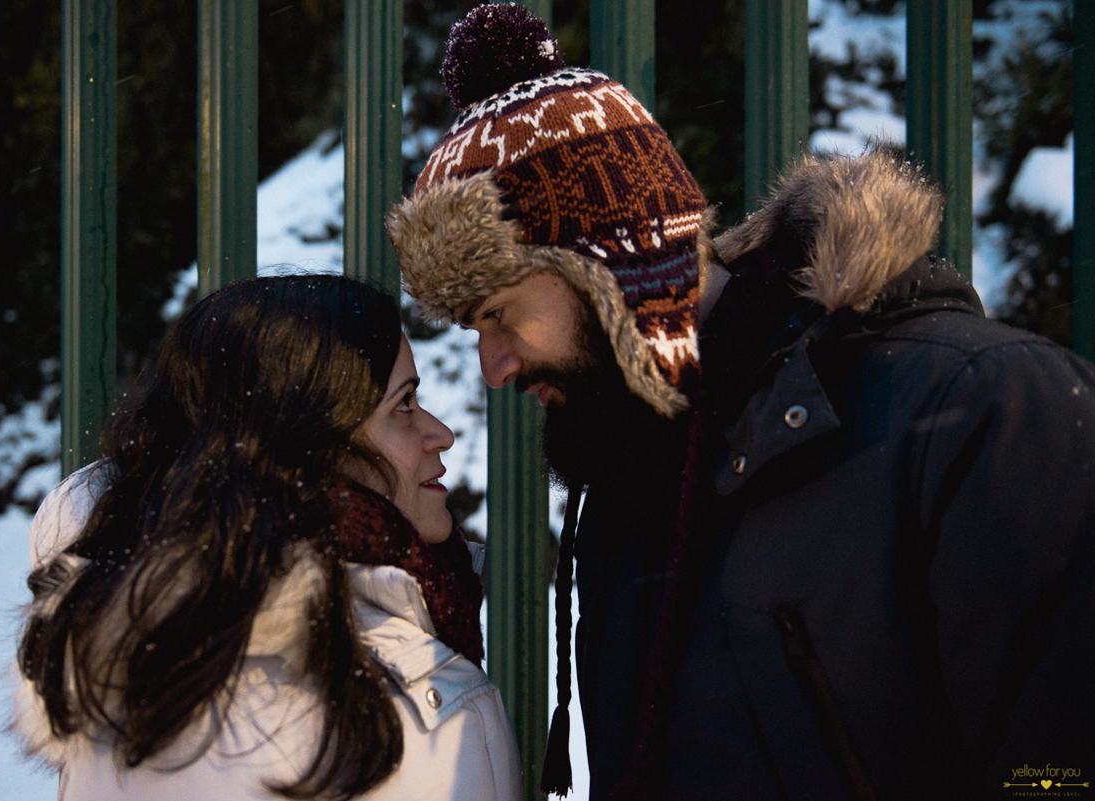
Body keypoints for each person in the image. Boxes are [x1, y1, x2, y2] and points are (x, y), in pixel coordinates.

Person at [386, 5, 1095, 800]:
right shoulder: (633, 482)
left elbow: (1060, 772)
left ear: (609, 263)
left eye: (498, 314)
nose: (493, 368)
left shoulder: (986, 410)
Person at [11, 274, 523, 800]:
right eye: (404, 404)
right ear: (307, 441)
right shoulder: (354, 705)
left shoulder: (147, 656)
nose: (442, 434)